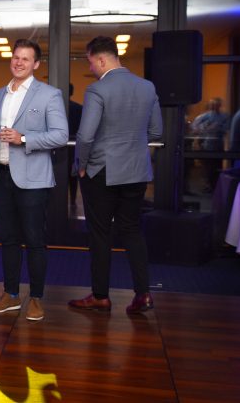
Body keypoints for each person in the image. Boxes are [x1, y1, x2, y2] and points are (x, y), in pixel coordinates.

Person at [68, 36, 163, 314]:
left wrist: (81, 164)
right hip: (136, 170)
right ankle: (143, 294)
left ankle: (101, 296)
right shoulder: (147, 87)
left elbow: (86, 135)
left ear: (100, 59)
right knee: (132, 230)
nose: (91, 68)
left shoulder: (97, 90)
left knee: (100, 234)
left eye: (90, 62)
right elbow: (156, 132)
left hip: (102, 170)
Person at [0, 39, 68, 322]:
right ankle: (11, 295)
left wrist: (24, 138)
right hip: (1, 176)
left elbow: (60, 135)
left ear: (36, 64)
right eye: (16, 57)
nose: (19, 62)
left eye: (25, 59)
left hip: (34, 179)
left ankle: (36, 298)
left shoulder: (49, 94)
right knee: (8, 239)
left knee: (35, 240)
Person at [191, 97, 229, 191]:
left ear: (219, 105)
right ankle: (208, 185)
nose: (214, 106)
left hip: (218, 146)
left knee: (217, 166)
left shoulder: (224, 116)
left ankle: (216, 186)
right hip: (207, 145)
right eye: (212, 104)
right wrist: (205, 127)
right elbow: (194, 126)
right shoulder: (205, 116)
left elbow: (226, 129)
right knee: (207, 168)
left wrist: (217, 128)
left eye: (216, 104)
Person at [67, 83, 83, 208]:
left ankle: (56, 201)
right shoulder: (78, 108)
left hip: (56, 146)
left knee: (56, 176)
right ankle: (72, 201)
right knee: (73, 176)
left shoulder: (53, 108)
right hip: (74, 145)